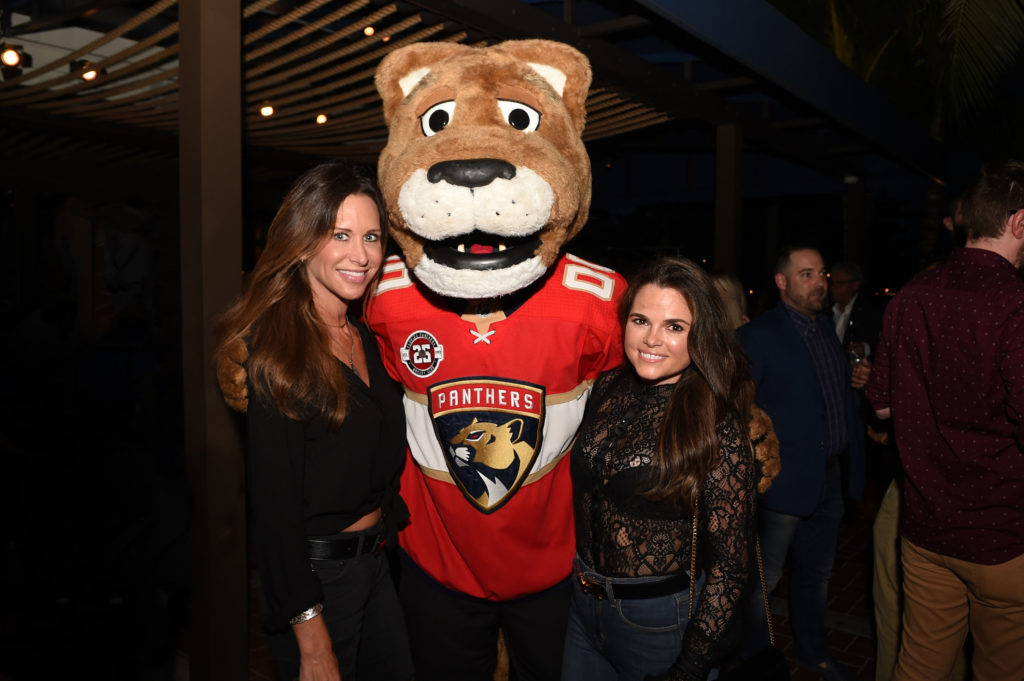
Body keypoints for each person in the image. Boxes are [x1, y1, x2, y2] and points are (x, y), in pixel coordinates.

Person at [213, 160, 413, 681]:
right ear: (302, 242)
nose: (361, 255)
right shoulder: (276, 352)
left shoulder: (363, 335)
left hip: (375, 567)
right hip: (318, 582)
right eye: (339, 234)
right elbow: (275, 514)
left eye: (371, 236)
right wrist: (310, 630)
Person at [865, 159, 1024, 681]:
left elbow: (884, 406)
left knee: (920, 666)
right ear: (1018, 223)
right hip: (1002, 537)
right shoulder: (1016, 304)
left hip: (926, 530)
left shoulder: (910, 298)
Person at [562, 257, 757, 681]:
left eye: (674, 326)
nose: (652, 339)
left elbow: (729, 568)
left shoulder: (716, 423)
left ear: (699, 334)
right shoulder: (607, 387)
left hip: (657, 621)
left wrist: (689, 667)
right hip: (581, 602)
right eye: (640, 320)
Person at [736, 246, 867, 681]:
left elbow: (828, 397)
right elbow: (736, 412)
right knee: (763, 582)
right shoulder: (760, 335)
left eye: (822, 274)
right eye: (807, 274)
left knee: (816, 577)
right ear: (782, 282)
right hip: (782, 484)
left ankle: (814, 656)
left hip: (828, 476)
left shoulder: (825, 328)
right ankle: (756, 665)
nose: (820, 283)